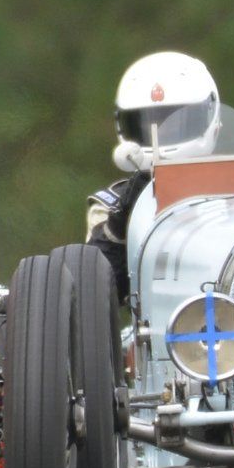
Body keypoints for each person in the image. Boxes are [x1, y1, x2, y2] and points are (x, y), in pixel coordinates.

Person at [85, 51, 222, 300]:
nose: (161, 134)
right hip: (158, 326)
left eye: (176, 122)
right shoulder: (110, 205)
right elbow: (95, 295)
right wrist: (119, 225)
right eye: (149, 125)